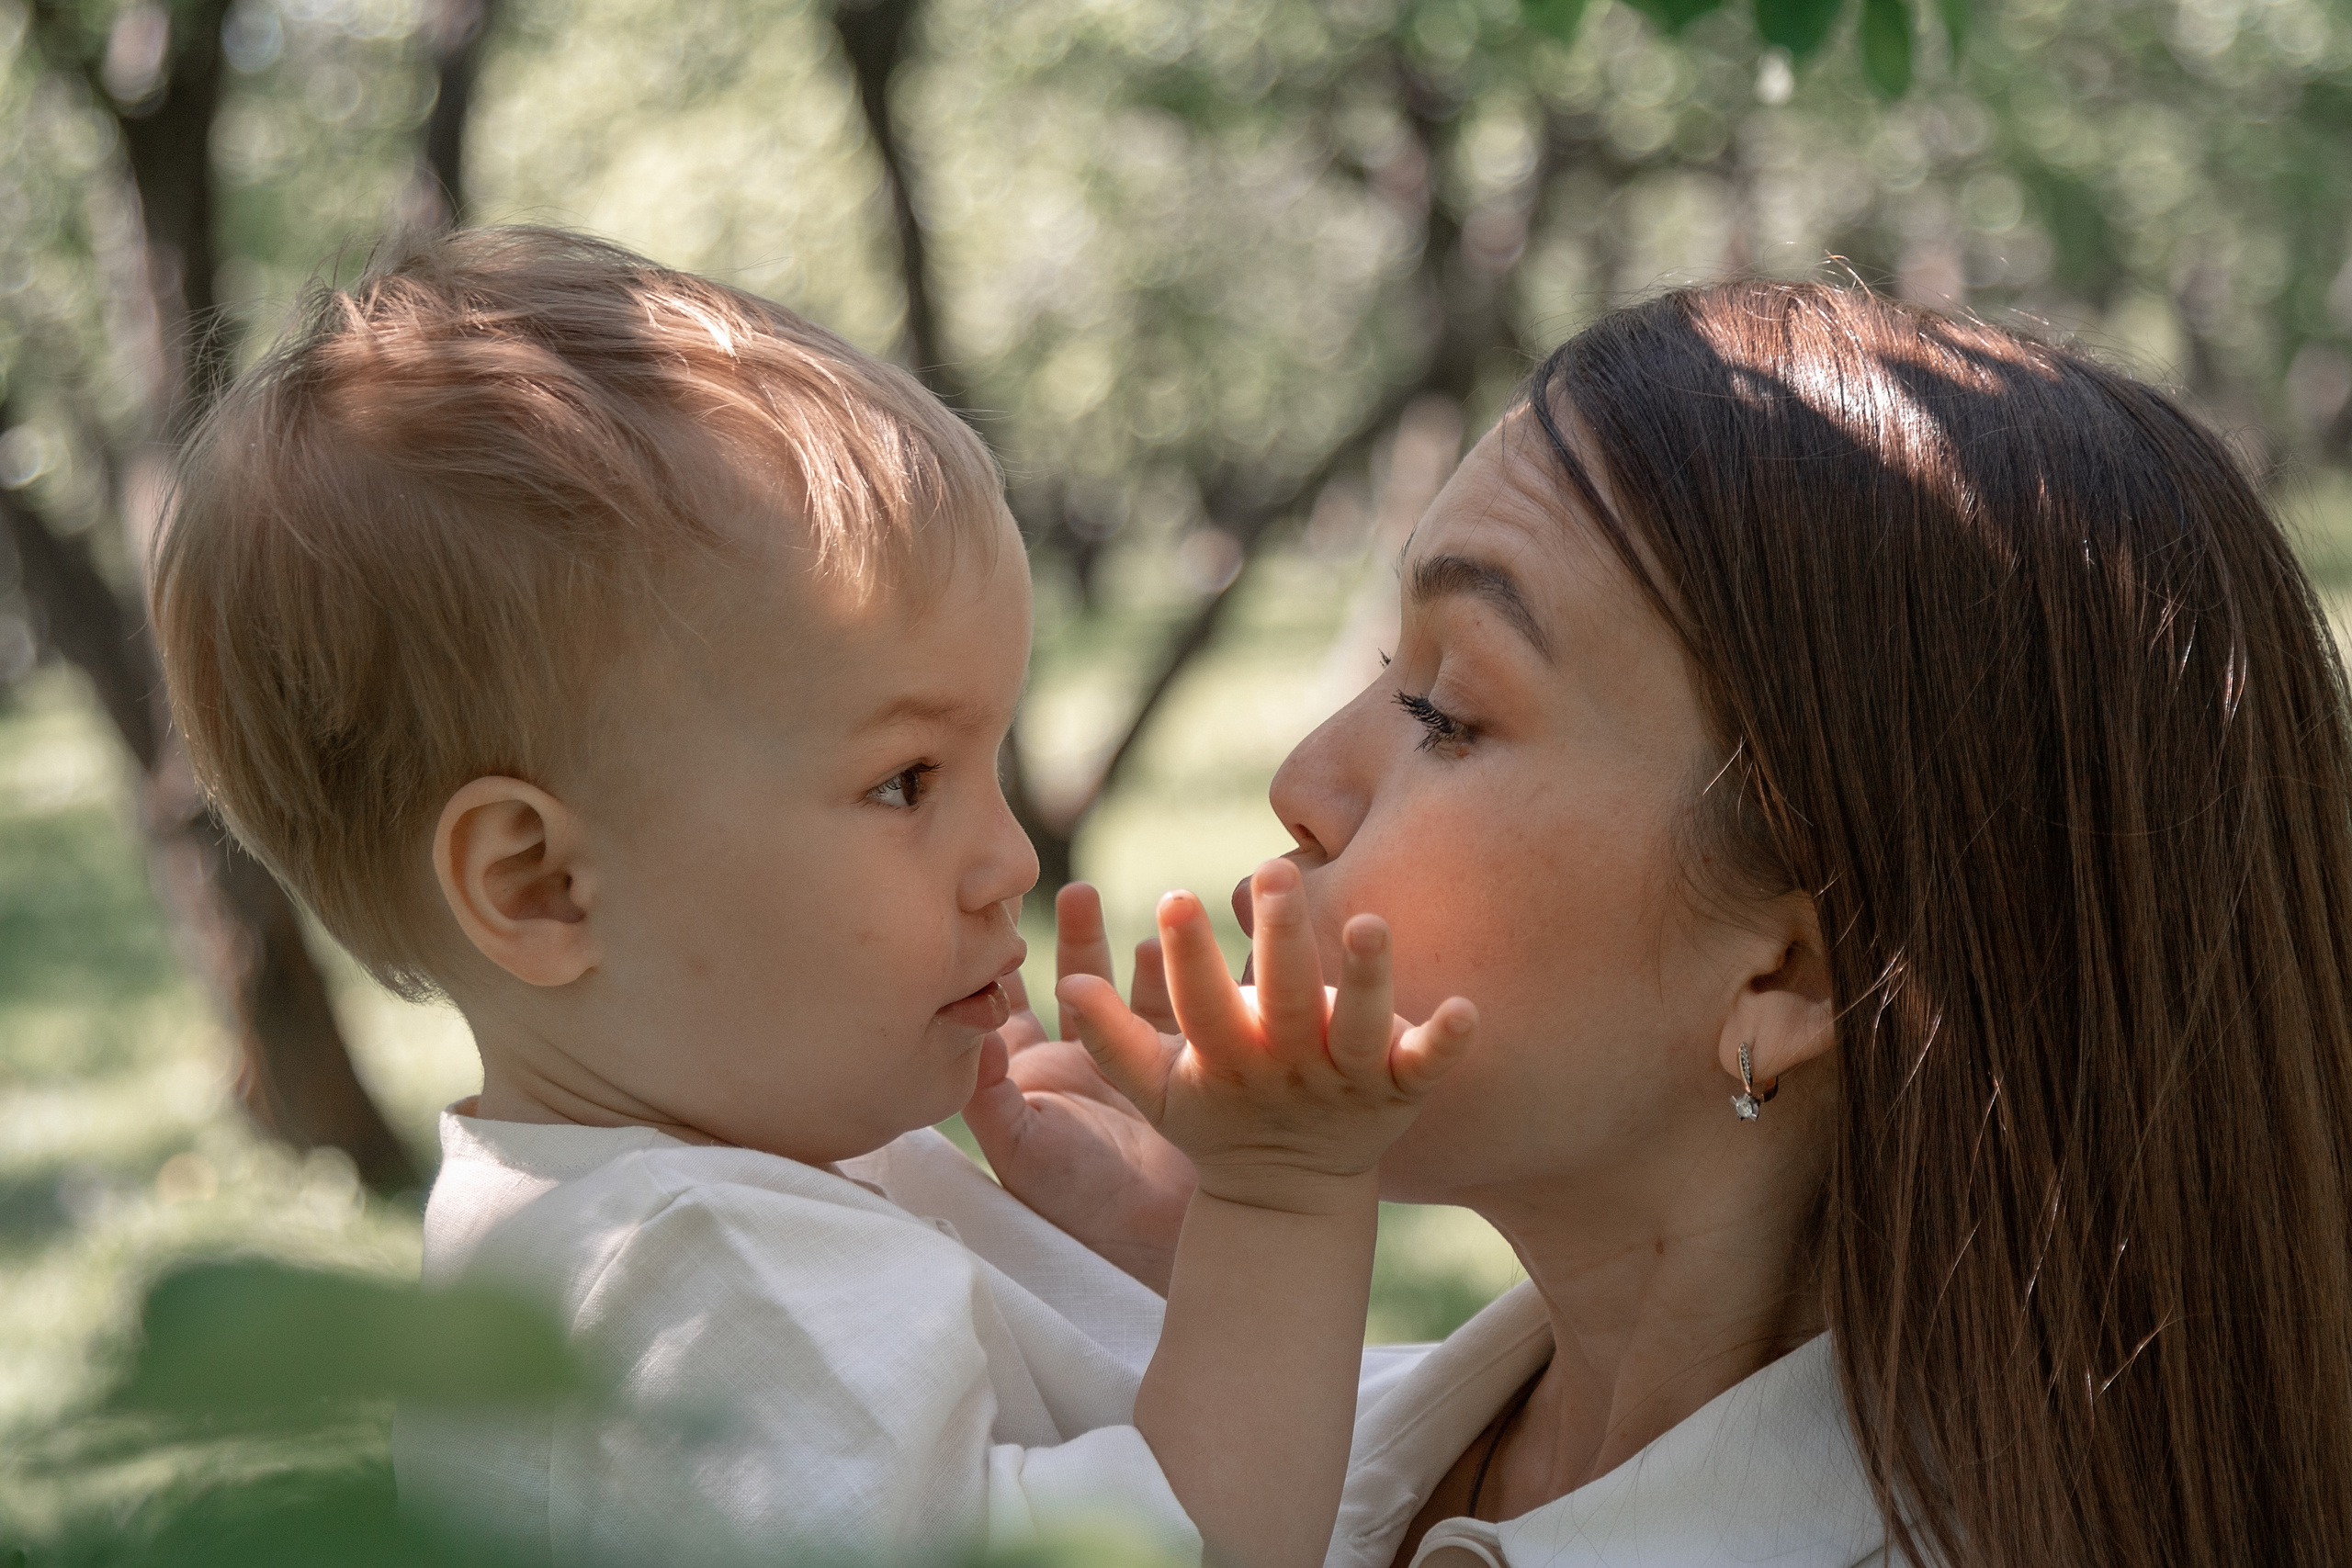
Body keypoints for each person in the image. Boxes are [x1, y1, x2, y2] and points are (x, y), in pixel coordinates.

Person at [146, 225, 1478, 1568]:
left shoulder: (660, 1216)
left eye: (987, 764)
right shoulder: (702, 1286)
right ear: (542, 885)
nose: (1013, 860)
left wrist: (1158, 1258)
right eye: (906, 781)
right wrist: (1284, 1203)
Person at [974, 282, 2352, 1566]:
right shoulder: (1365, 1436)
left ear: (1788, 973)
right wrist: (1207, 1278)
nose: (1302, 785)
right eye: (1397, 669)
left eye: (1447, 712)